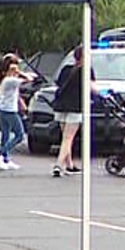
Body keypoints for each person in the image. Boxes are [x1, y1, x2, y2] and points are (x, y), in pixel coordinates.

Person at [51, 45, 88, 178]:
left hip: (60, 107)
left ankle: (69, 165)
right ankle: (58, 165)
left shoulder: (66, 69)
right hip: (75, 108)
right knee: (68, 138)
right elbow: (92, 86)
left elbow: (58, 84)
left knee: (66, 139)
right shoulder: (86, 70)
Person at [0, 56, 27, 171]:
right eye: (13, 69)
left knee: (5, 135)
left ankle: (5, 159)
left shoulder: (4, 80)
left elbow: (16, 94)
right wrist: (20, 72)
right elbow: (29, 79)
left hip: (3, 109)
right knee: (19, 135)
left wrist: (21, 104)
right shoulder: (9, 80)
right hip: (9, 111)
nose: (15, 71)